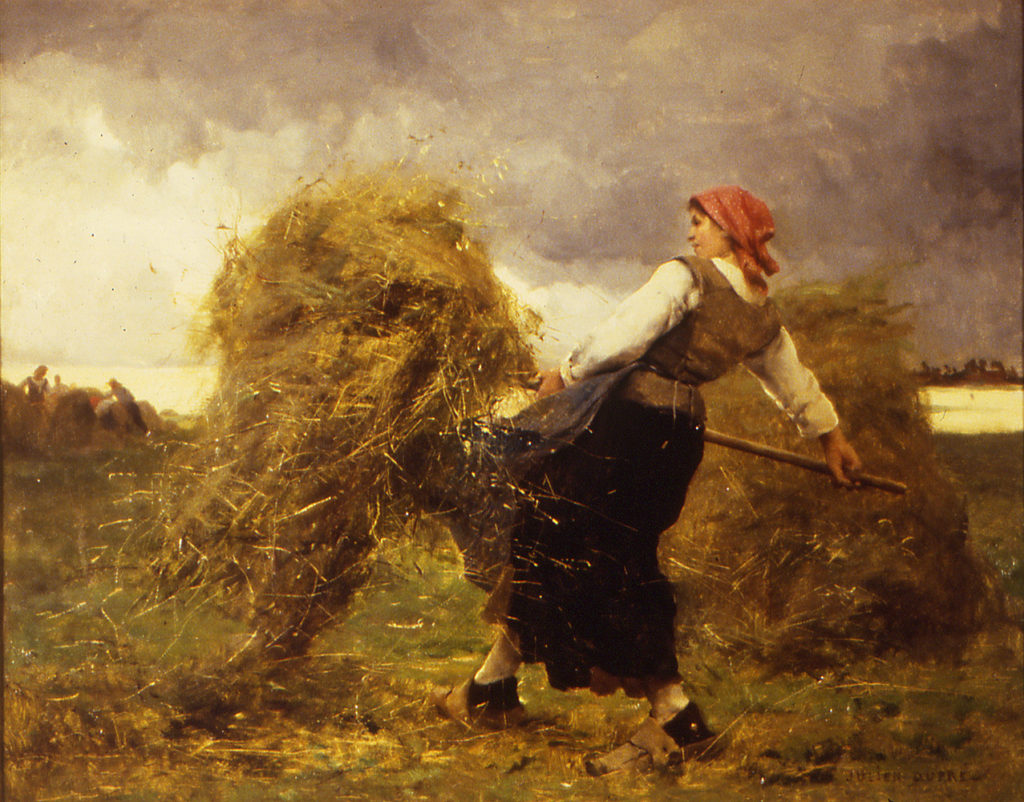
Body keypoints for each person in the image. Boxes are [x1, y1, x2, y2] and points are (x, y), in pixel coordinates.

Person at [432, 185, 862, 774]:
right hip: (676, 440)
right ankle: (491, 689)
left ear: (732, 232)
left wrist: (568, 371)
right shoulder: (760, 309)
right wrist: (831, 439)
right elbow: (791, 380)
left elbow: (625, 335)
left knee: (594, 556)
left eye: (701, 222)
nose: (691, 234)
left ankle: (676, 718)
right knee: (563, 543)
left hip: (627, 430)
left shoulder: (686, 278)